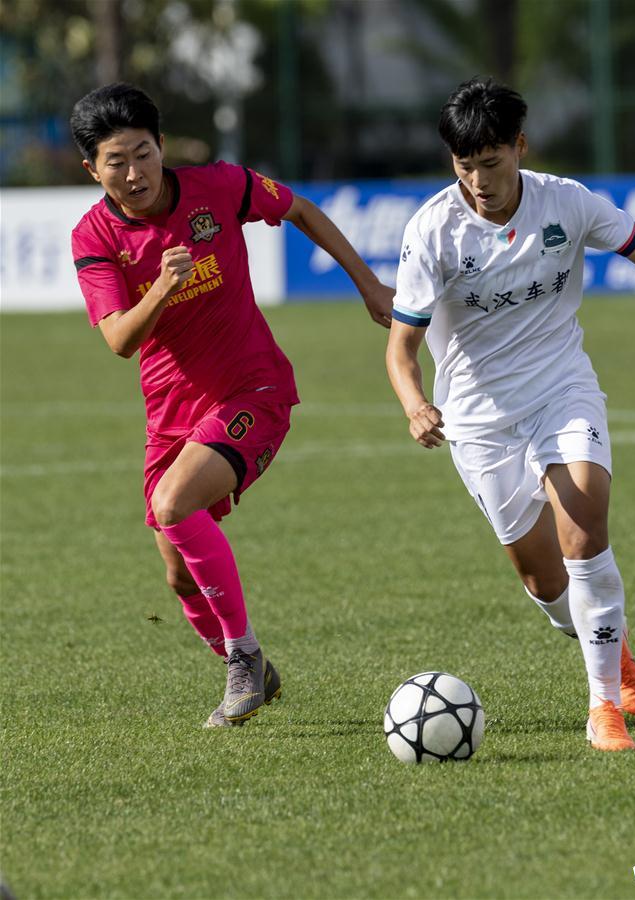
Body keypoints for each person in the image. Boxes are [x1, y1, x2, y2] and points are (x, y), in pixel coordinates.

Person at [385, 78, 635, 752]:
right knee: (542, 578)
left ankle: (602, 708)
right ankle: (610, 652)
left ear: (519, 148)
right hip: (478, 420)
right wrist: (415, 403)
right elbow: (400, 344)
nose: (478, 180)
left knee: (583, 527)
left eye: (491, 163)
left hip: (562, 390)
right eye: (464, 166)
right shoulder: (433, 230)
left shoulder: (568, 203)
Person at [70, 83, 393, 728]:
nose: (134, 174)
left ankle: (241, 662)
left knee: (173, 504)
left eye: (143, 153)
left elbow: (299, 209)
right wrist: (162, 285)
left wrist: (368, 284)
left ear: (162, 146)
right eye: (116, 161)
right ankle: (253, 668)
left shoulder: (220, 186)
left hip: (255, 391)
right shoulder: (94, 236)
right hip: (169, 414)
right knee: (178, 577)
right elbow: (118, 341)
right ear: (91, 168)